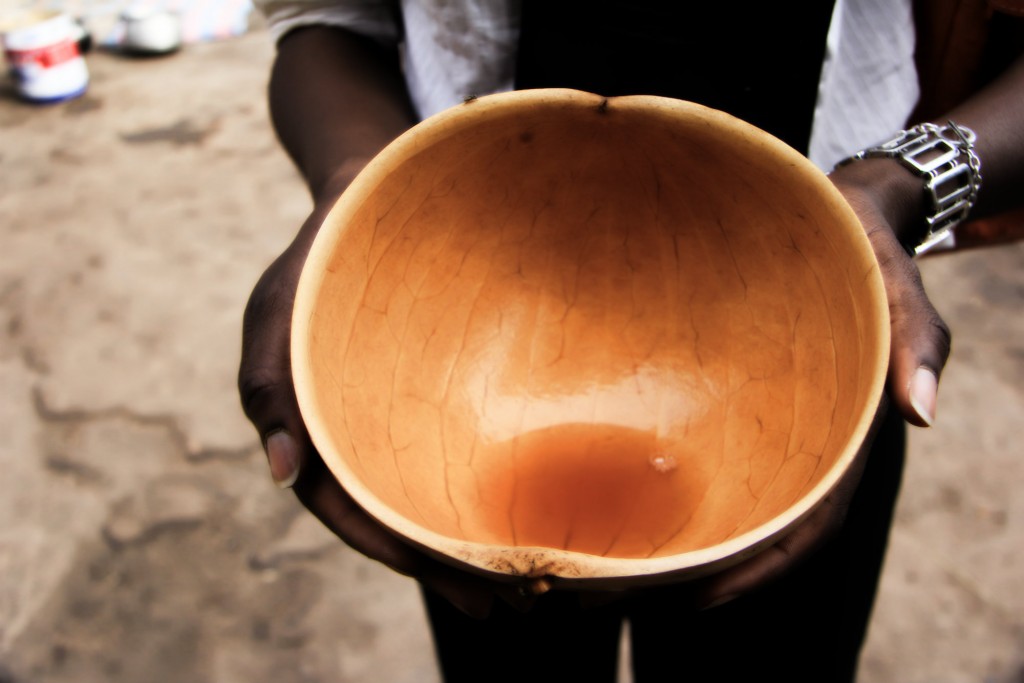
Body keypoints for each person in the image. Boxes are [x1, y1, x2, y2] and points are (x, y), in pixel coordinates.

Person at [238, 1, 1024, 680]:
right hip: (454, 355)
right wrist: (360, 195)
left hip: (819, 347)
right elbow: (327, 20)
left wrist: (899, 183)